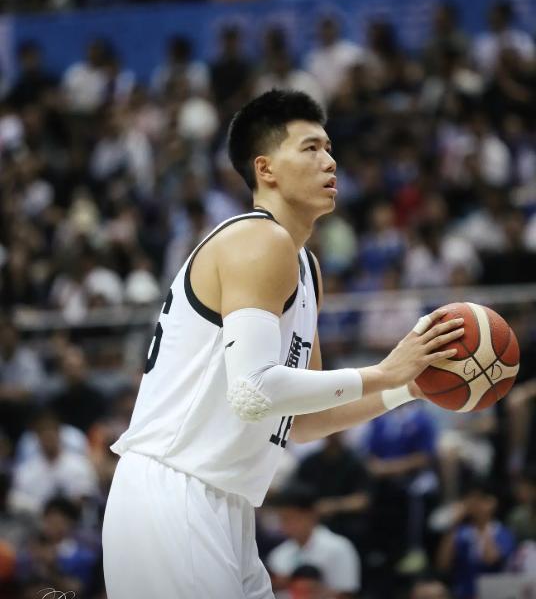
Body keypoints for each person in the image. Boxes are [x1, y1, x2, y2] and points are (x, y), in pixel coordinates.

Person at [102, 89, 464, 599]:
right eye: (311, 148)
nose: (330, 161)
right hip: (173, 492)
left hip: (225, 504)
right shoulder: (257, 239)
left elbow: (305, 419)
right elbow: (253, 392)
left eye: (329, 148)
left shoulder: (305, 266)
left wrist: (409, 388)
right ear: (266, 169)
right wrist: (385, 371)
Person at [267, 482, 361, 597]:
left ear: (311, 514)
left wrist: (310, 589)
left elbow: (347, 594)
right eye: (282, 519)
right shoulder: (278, 554)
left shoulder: (338, 548)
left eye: (291, 517)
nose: (285, 524)